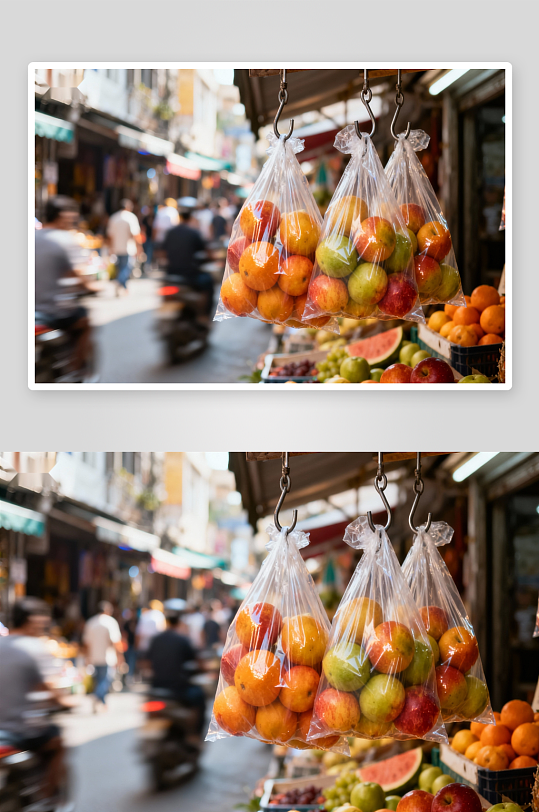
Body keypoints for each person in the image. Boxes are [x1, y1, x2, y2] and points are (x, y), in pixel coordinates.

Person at [0, 598, 66, 797]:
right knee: (58, 742)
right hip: (22, 730)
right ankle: (47, 795)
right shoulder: (34, 647)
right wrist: (65, 702)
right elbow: (49, 688)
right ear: (31, 621)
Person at [35, 195, 93, 370]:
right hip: (54, 311)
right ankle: (75, 368)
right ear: (62, 217)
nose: (72, 221)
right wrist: (92, 287)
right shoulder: (65, 239)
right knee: (85, 322)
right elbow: (78, 275)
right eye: (71, 217)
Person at [147, 612, 206, 735]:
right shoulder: (183, 640)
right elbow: (198, 661)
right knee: (199, 696)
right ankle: (194, 735)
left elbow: (145, 662)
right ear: (179, 623)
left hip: (156, 685)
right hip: (178, 688)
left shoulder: (156, 639)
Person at [163, 210, 214, 316]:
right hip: (190, 274)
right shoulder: (194, 233)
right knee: (209, 282)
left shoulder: (170, 232)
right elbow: (207, 251)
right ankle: (204, 316)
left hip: (170, 272)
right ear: (190, 219)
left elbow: (161, 252)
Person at [82, 601, 124, 710]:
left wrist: (87, 657)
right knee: (104, 680)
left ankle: (102, 701)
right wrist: (120, 657)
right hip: (107, 657)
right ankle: (98, 698)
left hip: (94, 657)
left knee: (99, 680)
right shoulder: (110, 622)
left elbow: (86, 643)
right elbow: (116, 642)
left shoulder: (91, 622)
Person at [106, 199, 142, 293]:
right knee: (125, 268)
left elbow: (110, 236)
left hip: (116, 248)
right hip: (128, 248)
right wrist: (139, 247)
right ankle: (120, 283)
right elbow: (135, 235)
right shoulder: (131, 217)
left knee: (121, 268)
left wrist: (110, 248)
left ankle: (123, 286)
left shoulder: (114, 217)